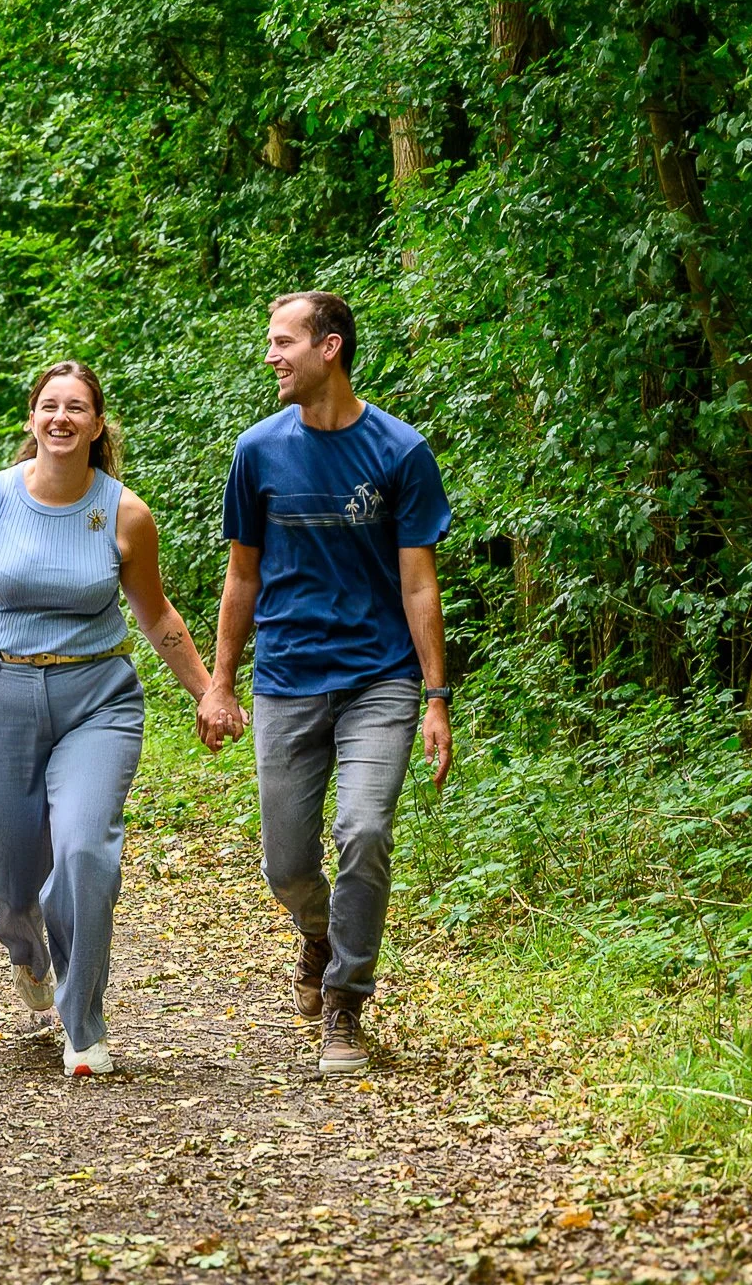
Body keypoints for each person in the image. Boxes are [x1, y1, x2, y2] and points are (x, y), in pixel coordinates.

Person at [0, 361, 220, 1077]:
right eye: (48, 407)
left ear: (97, 426)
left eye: (76, 409)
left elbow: (154, 613)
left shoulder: (124, 512)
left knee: (84, 853)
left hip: (96, 701)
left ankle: (83, 1024)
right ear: (32, 419)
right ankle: (26, 952)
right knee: (9, 872)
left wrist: (207, 691)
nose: (60, 419)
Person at [195, 291, 453, 1077]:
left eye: (282, 343)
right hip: (286, 677)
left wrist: (435, 695)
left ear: (328, 348)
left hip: (380, 678)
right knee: (285, 864)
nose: (270, 357)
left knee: (365, 831)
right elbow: (240, 576)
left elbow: (418, 585)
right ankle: (317, 932)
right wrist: (219, 682)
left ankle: (344, 1001)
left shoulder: (399, 452)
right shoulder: (257, 451)